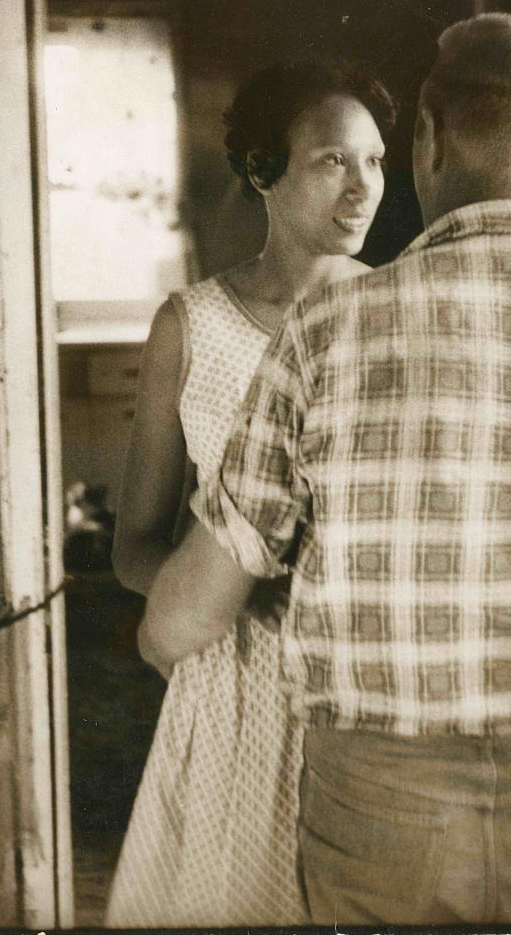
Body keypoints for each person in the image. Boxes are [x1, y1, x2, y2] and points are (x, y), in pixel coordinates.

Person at [154, 13, 511, 925]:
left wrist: (158, 628)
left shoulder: (326, 334)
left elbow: (186, 620)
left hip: (380, 810)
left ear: (425, 138)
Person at [105, 58, 395, 927]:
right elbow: (133, 548)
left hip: (365, 686)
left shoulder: (399, 312)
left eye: (377, 162)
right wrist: (222, 591)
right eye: (334, 161)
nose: (363, 189)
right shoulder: (190, 325)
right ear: (263, 170)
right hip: (230, 689)